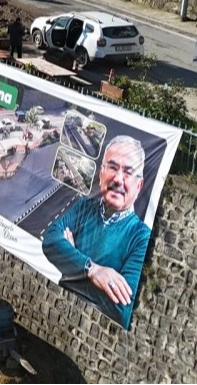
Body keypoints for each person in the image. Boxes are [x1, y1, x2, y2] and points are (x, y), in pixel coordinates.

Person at [41, 135, 150, 329]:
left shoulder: (141, 236)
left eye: (128, 172)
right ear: (101, 174)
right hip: (56, 308)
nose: (118, 179)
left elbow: (122, 309)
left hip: (90, 328)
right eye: (113, 167)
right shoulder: (84, 206)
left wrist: (71, 260)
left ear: (139, 186)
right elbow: (50, 240)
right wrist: (92, 270)